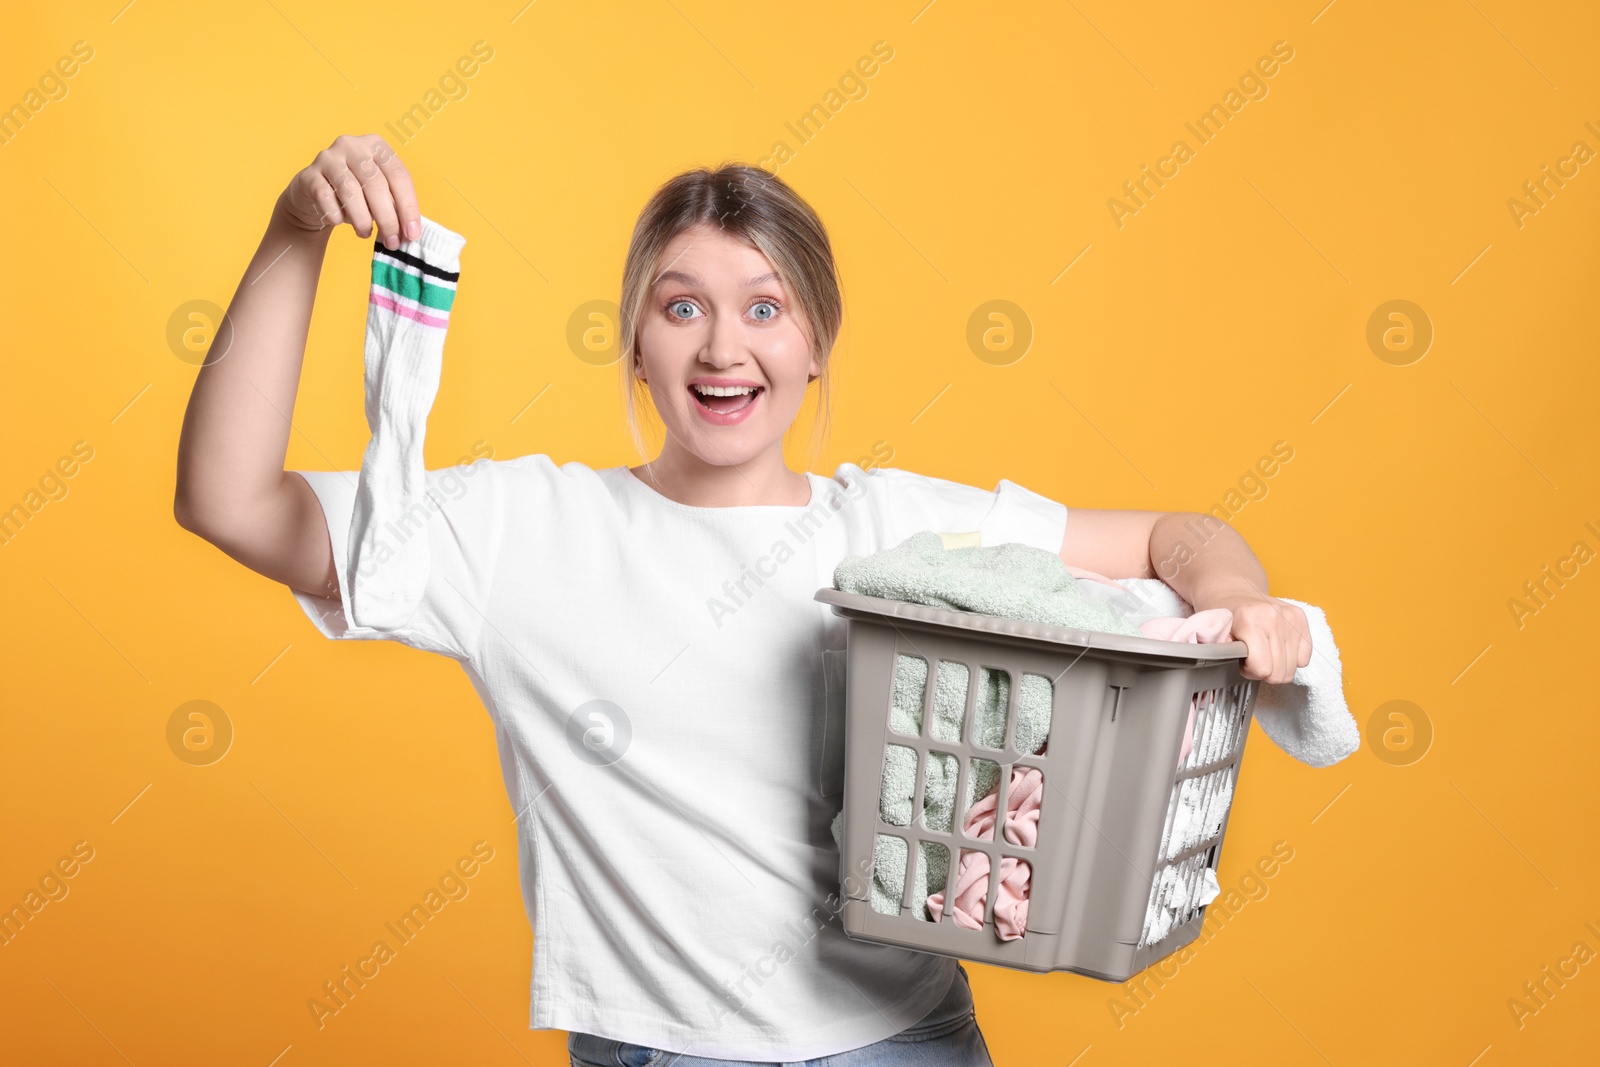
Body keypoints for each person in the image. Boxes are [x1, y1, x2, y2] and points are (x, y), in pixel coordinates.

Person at [174, 133, 1310, 1066]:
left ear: (816, 342)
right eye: (681, 308)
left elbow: (1180, 534)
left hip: (900, 1041)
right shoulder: (518, 532)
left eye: (765, 308)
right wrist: (294, 232)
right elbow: (227, 499)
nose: (725, 347)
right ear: (633, 343)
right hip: (655, 1048)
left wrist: (1244, 598)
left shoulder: (896, 530)